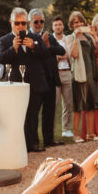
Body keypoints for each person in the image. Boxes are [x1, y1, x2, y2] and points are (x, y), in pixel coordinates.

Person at [0, 8, 55, 152]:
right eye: (17, 23)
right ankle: (18, 144)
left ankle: (33, 143)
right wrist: (14, 48)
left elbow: (45, 55)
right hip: (15, 83)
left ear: (27, 23)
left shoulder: (35, 38)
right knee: (17, 115)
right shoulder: (4, 40)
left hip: (35, 82)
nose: (21, 26)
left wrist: (33, 47)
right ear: (11, 23)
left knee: (33, 114)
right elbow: (1, 59)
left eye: (23, 23)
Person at [29, 9, 65, 148]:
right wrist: (44, 47)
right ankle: (34, 142)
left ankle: (49, 140)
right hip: (36, 80)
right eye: (36, 21)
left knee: (49, 112)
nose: (39, 24)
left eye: (41, 21)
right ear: (31, 22)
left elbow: (61, 51)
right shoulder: (29, 37)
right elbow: (34, 55)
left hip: (50, 79)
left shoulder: (48, 36)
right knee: (34, 113)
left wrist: (47, 46)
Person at [68, 13, 98, 143]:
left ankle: (90, 134)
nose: (79, 25)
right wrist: (76, 37)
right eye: (76, 22)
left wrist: (93, 35)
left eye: (80, 22)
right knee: (78, 105)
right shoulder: (70, 38)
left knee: (91, 104)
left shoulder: (88, 37)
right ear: (71, 25)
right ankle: (76, 135)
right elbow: (74, 54)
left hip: (90, 73)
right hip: (78, 75)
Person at [47, 17, 74, 137]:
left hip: (67, 71)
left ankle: (66, 129)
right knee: (54, 103)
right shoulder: (50, 39)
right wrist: (59, 56)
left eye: (60, 24)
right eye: (55, 25)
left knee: (68, 103)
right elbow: (50, 55)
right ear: (53, 27)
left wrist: (62, 55)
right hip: (55, 73)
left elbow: (70, 54)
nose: (58, 27)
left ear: (63, 26)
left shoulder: (67, 39)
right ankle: (51, 130)